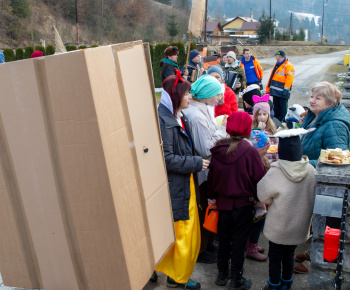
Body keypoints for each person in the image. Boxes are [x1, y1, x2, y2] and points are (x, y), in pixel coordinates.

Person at [155, 70, 209, 289]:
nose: (190, 97)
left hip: (185, 183)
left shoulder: (179, 115)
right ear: (175, 96)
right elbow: (166, 159)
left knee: (183, 231)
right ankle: (177, 278)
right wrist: (196, 163)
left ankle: (173, 273)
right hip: (177, 185)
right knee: (183, 232)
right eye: (187, 94)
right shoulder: (165, 122)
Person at [207, 111, 266, 289]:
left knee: (224, 239)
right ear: (248, 129)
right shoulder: (250, 151)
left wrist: (212, 198)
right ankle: (236, 279)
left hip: (223, 203)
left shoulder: (218, 149)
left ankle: (222, 274)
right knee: (239, 242)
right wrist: (260, 201)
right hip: (243, 204)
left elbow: (212, 178)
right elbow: (260, 179)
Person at [258, 130, 316, 290]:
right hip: (298, 225)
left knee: (275, 256)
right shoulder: (311, 171)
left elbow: (263, 196)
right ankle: (286, 283)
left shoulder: (276, 172)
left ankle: (273, 285)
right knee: (289, 254)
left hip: (278, 225)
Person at [183, 74, 227, 264]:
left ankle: (207, 245)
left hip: (206, 170)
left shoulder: (201, 110)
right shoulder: (196, 116)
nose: (219, 98)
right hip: (202, 172)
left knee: (208, 208)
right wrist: (222, 129)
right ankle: (201, 250)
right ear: (208, 94)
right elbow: (206, 148)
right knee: (203, 210)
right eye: (217, 94)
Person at [301, 81, 350, 168]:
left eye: (318, 98)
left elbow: (337, 161)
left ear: (330, 103)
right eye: (312, 96)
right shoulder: (313, 116)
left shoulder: (335, 126)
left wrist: (301, 163)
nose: (312, 100)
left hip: (314, 176)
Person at [246, 129, 270, 262]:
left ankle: (249, 243)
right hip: (256, 198)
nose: (267, 151)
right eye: (265, 148)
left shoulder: (260, 159)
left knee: (254, 222)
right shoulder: (257, 161)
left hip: (257, 197)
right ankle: (252, 248)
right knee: (257, 222)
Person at [266, 51, 295, 122]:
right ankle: (276, 122)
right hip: (275, 92)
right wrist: (268, 89)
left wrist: (286, 90)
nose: (275, 57)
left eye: (276, 56)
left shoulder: (288, 66)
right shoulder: (277, 65)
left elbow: (289, 79)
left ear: (279, 56)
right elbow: (271, 77)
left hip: (282, 93)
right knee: (276, 109)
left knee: (283, 109)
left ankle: (282, 122)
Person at [251, 97, 278, 164]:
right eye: (259, 114)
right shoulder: (251, 130)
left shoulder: (272, 129)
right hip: (260, 163)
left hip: (273, 162)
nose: (262, 117)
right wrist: (259, 131)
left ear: (268, 115)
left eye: (264, 114)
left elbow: (276, 147)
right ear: (255, 116)